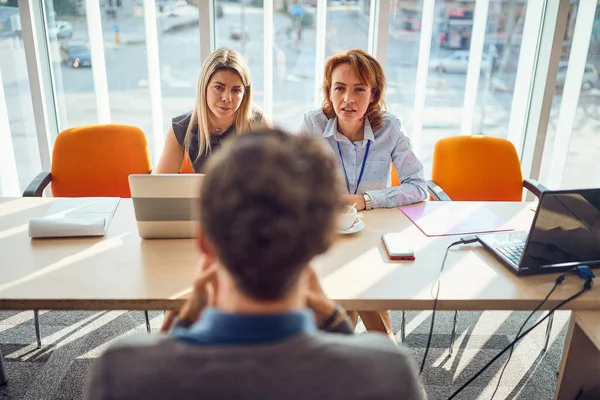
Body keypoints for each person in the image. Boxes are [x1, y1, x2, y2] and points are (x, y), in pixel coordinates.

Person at [85, 128, 425, 400]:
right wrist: (335, 320)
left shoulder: (122, 370)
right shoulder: (386, 373)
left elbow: (160, 361)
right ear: (323, 243)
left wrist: (182, 319)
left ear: (203, 241)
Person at [300, 49, 428, 342]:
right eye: (340, 88)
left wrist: (367, 200)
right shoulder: (313, 125)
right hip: (325, 232)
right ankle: (380, 357)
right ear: (329, 92)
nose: (348, 99)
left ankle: (365, 354)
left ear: (373, 94)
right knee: (354, 301)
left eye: (359, 89)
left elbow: (419, 185)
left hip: (372, 235)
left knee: (357, 298)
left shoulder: (390, 128)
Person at [154, 47, 266, 174]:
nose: (227, 98)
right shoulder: (182, 127)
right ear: (204, 87)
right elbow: (159, 186)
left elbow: (278, 180)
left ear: (245, 93)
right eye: (219, 88)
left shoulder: (259, 124)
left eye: (236, 90)